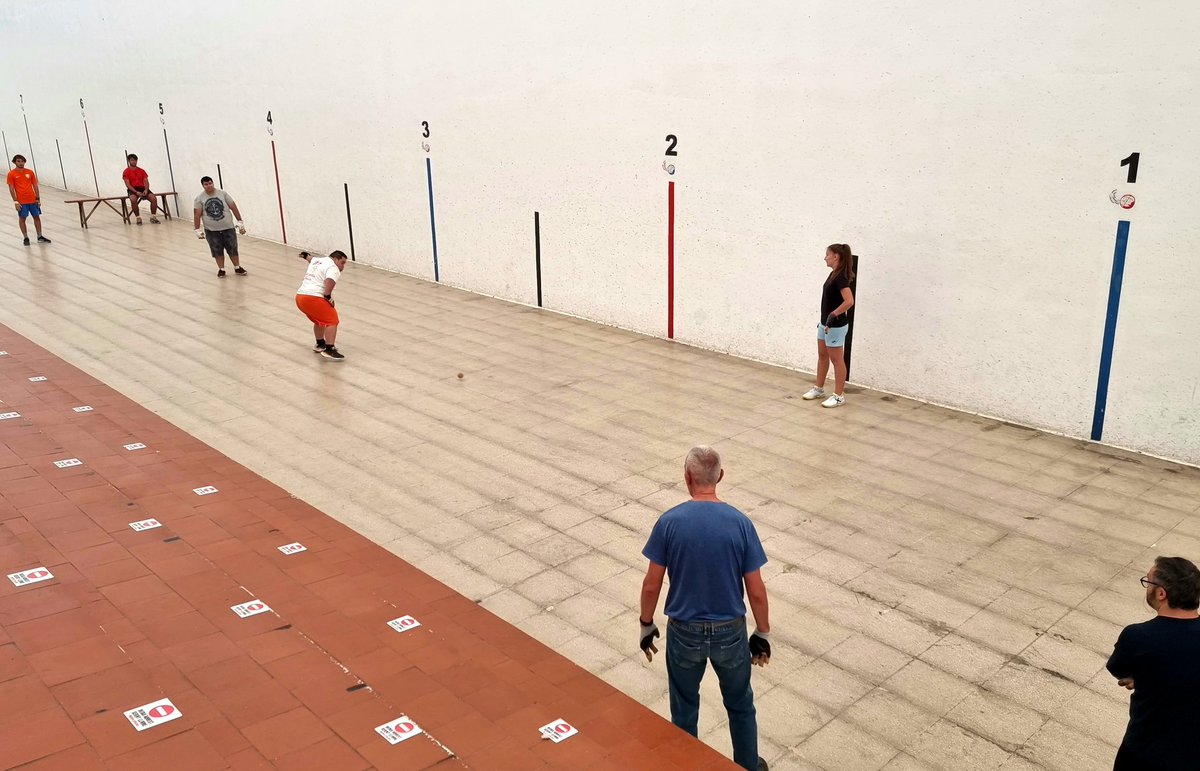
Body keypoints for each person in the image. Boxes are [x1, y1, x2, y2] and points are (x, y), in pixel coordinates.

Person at [639, 446, 771, 771]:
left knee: (684, 708)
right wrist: (762, 632)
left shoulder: (669, 522)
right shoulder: (740, 524)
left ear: (687, 477)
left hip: (684, 632)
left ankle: (686, 764)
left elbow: (652, 584)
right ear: (720, 477)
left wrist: (646, 624)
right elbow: (755, 590)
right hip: (730, 632)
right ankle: (748, 766)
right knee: (740, 706)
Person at [1106, 556, 1200, 770]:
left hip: (1144, 755)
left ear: (1161, 593)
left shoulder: (1138, 637)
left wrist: (1142, 677)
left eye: (1147, 582)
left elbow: (1118, 669)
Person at [801, 243, 855, 408]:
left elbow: (849, 301)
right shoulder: (833, 274)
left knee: (837, 360)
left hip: (835, 326)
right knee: (822, 356)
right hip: (824, 324)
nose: (825, 257)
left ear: (835, 256)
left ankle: (839, 396)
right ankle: (819, 389)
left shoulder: (840, 278)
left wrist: (833, 315)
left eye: (827, 254)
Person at [295, 250, 349, 361]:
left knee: (319, 319)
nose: (343, 267)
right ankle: (329, 349)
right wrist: (328, 296)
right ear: (335, 259)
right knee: (332, 321)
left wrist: (305, 255)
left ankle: (320, 344)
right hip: (313, 297)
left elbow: (310, 258)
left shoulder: (318, 260)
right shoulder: (333, 267)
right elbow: (330, 280)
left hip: (300, 297)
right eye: (342, 263)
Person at [193, 176, 247, 277]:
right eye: (206, 184)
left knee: (232, 248)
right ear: (203, 186)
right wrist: (197, 229)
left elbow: (233, 207)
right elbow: (197, 214)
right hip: (211, 230)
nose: (209, 185)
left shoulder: (223, 194)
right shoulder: (199, 198)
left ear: (213, 183)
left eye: (210, 183)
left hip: (228, 228)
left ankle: (237, 267)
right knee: (217, 250)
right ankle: (221, 269)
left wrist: (240, 221)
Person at [6, 155, 50, 246]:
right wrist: (15, 201)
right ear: (14, 162)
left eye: (22, 161)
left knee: (37, 217)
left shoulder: (30, 172)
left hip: (33, 200)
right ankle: (26, 238)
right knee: (22, 219)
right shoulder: (11, 174)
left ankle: (39, 236)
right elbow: (11, 188)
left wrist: (38, 198)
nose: (20, 163)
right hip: (22, 202)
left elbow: (35, 185)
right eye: (18, 161)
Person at [122, 154, 159, 225]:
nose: (134, 162)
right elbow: (128, 185)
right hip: (133, 189)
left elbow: (146, 181)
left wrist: (146, 190)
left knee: (154, 198)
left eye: (135, 160)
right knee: (133, 199)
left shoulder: (142, 170)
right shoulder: (126, 172)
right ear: (129, 161)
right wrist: (136, 192)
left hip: (142, 188)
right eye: (132, 160)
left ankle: (153, 216)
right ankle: (138, 218)